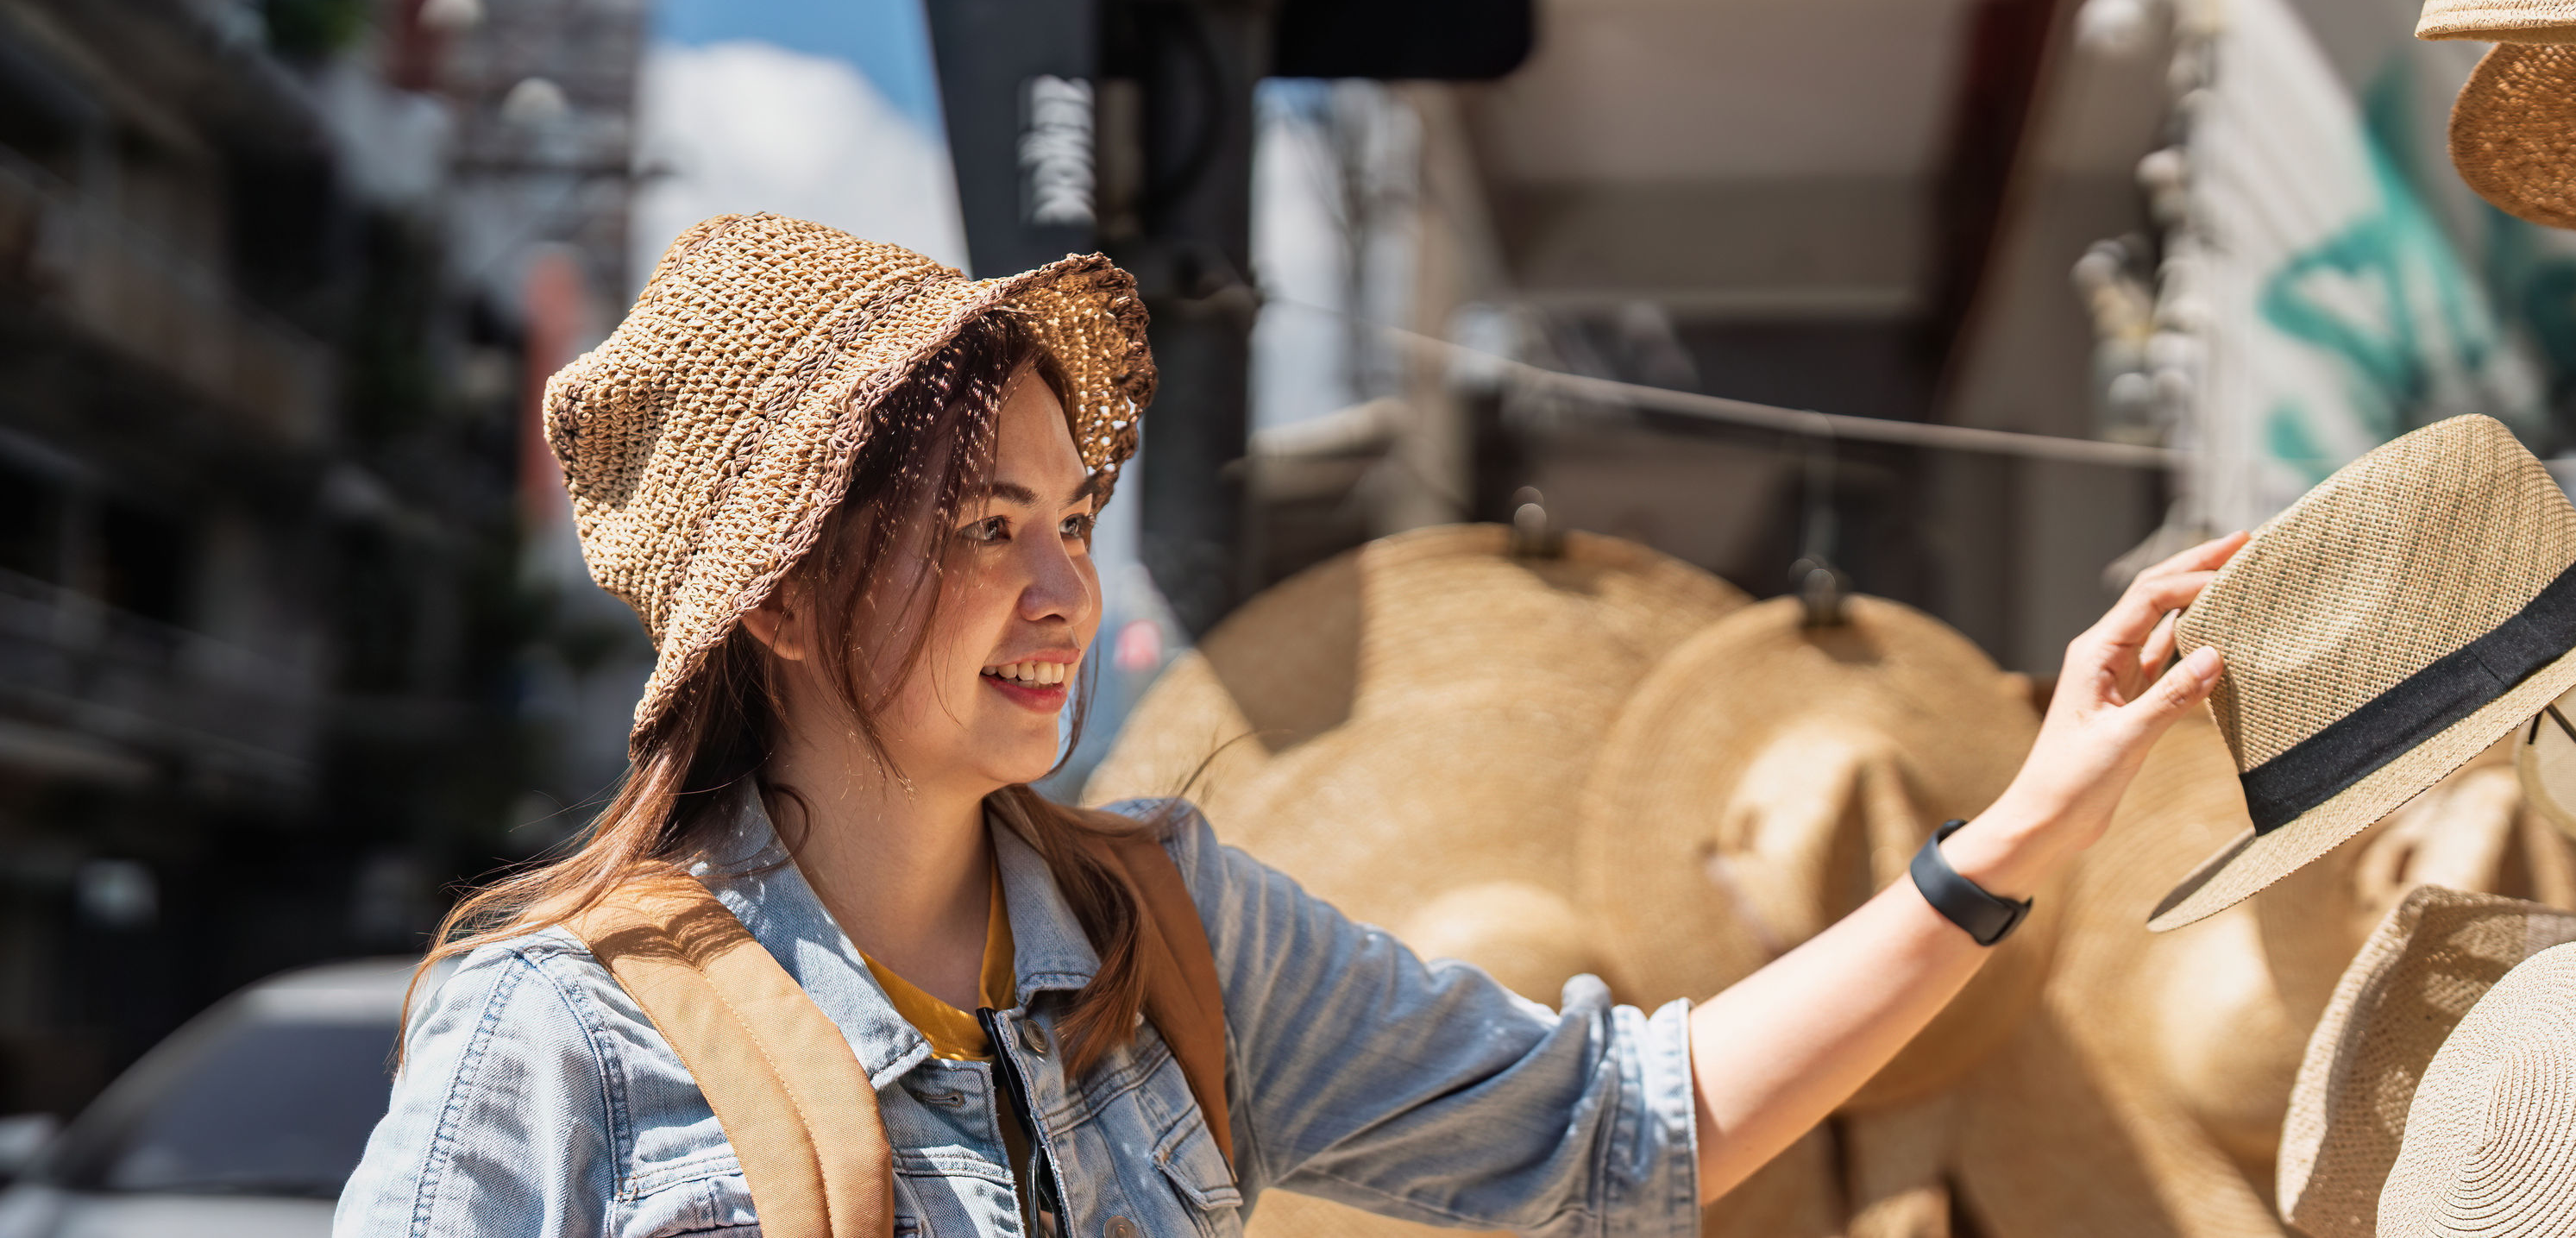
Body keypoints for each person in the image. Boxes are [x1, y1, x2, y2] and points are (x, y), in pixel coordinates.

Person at [332, 215, 2238, 1238]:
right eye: (981, 528)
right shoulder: (563, 1026)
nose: (1063, 588)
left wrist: (2023, 832)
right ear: (782, 593)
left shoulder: (1171, 938)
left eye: (1069, 517)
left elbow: (1612, 1135)